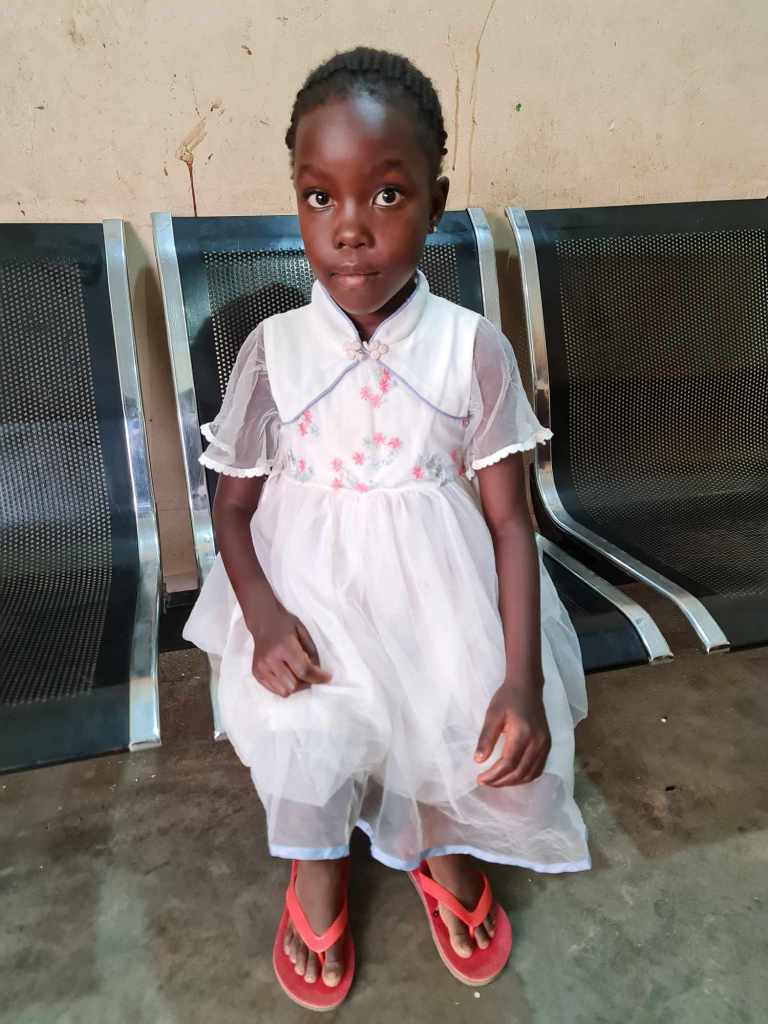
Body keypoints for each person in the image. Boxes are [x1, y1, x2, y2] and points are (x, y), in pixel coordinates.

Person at [183, 46, 590, 1012]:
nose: (351, 229)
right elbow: (231, 508)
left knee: (454, 705)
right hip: (307, 591)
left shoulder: (470, 348)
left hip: (435, 588)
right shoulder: (273, 350)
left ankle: (439, 837)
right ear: (297, 201)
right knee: (309, 717)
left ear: (436, 202)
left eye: (389, 195)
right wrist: (263, 617)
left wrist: (522, 681)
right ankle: (317, 859)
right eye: (319, 198)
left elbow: (508, 522)